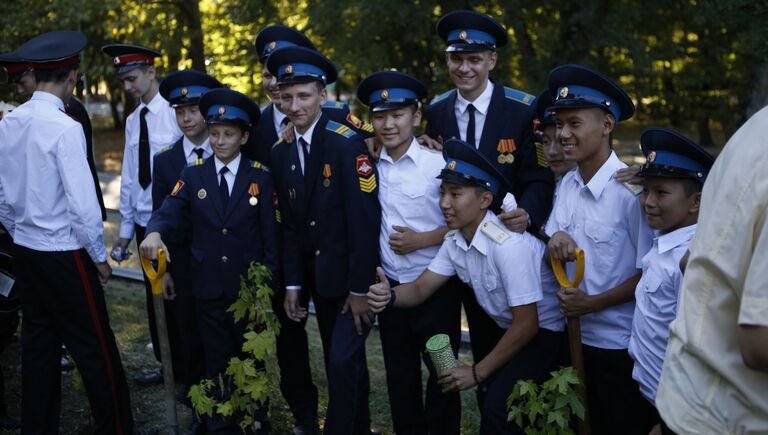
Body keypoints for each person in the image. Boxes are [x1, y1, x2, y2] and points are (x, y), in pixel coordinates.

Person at [368, 138, 564, 434]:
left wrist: (476, 371)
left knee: (500, 409)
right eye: (442, 193)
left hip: (544, 336)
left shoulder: (509, 247)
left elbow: (528, 324)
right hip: (510, 330)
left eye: (455, 194)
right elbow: (421, 288)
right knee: (494, 402)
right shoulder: (455, 241)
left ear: (485, 200)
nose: (444, 203)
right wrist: (388, 296)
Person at [0, 30, 133, 434]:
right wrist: (98, 257)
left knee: (38, 344)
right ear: (73, 76)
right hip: (64, 251)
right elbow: (82, 205)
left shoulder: (11, 122)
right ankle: (116, 428)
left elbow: (3, 197)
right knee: (96, 348)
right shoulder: (64, 127)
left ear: (36, 74)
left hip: (25, 247)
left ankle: (37, 429)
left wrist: (20, 230)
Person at [141, 88, 277, 434]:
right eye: (214, 133)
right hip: (208, 286)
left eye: (228, 134)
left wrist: (267, 287)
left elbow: (271, 239)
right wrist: (154, 232)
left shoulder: (260, 176)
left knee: (250, 359)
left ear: (244, 136)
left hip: (247, 290)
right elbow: (169, 209)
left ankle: (253, 418)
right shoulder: (194, 174)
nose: (219, 141)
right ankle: (218, 421)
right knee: (215, 358)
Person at [267, 45, 381, 434]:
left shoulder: (345, 143)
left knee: (341, 361)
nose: (295, 106)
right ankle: (359, 427)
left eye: (304, 96)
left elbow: (364, 222)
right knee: (346, 363)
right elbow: (290, 225)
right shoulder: (280, 152)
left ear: (323, 95)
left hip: (349, 278)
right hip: (314, 275)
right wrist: (294, 283)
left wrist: (360, 287)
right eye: (287, 97)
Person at [544, 64, 654, 434]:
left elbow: (649, 274)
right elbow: (553, 244)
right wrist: (554, 241)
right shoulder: (567, 184)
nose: (562, 134)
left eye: (574, 123)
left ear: (607, 124)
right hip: (571, 336)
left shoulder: (632, 195)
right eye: (559, 124)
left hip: (616, 346)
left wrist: (592, 303)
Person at [356, 70, 461, 434]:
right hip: (393, 293)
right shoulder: (365, 164)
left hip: (437, 290)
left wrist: (423, 239)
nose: (388, 124)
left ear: (416, 117)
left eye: (398, 115)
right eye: (380, 116)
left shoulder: (439, 164)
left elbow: (465, 221)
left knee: (444, 373)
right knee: (400, 378)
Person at [656, 107, 768, 433]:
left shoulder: (755, 127)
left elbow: (692, 259)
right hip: (724, 416)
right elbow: (759, 340)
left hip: (692, 394)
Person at [421, 9, 554, 233]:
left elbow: (540, 176)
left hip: (508, 234)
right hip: (454, 238)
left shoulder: (522, 110)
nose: (464, 68)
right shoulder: (436, 111)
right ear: (447, 59)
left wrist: (527, 214)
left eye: (474, 59)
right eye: (456, 59)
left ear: (491, 60)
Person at [102, 42, 183, 386]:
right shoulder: (135, 119)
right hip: (142, 224)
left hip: (173, 221)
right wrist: (124, 229)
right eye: (123, 81)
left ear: (151, 71)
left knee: (178, 297)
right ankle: (166, 364)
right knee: (154, 298)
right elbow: (132, 173)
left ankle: (186, 368)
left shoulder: (177, 112)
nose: (128, 87)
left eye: (133, 78)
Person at [625, 128, 714, 433]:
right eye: (646, 191)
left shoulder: (691, 259)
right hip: (653, 396)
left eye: (661, 193)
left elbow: (698, 348)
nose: (648, 202)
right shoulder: (665, 240)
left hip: (679, 407)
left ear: (696, 201)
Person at [154, 68, 223, 435]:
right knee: (191, 341)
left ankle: (238, 409)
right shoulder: (165, 161)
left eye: (194, 109)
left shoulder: (228, 147)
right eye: (179, 110)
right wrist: (164, 271)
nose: (186, 117)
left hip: (224, 265)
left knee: (225, 342)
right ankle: (201, 413)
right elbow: (161, 219)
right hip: (184, 269)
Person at [245, 24, 374, 167]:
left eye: (279, 76)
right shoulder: (253, 127)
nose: (274, 83)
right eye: (267, 76)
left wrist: (375, 140)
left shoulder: (336, 115)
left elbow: (379, 136)